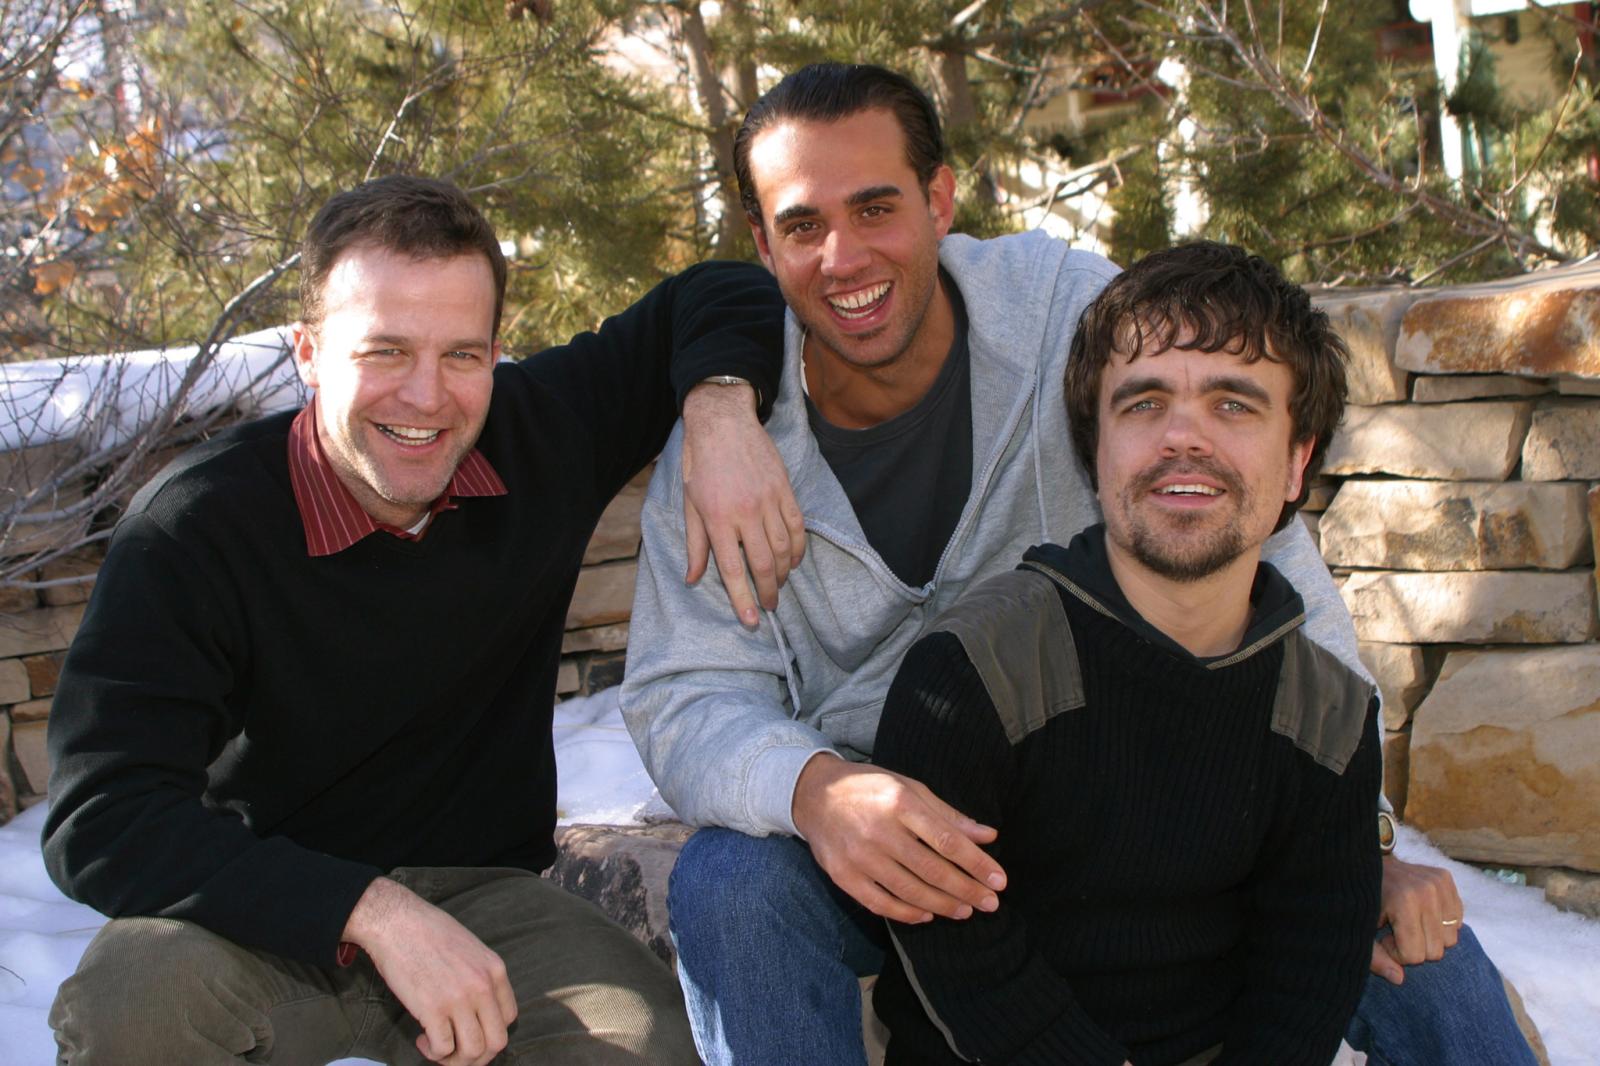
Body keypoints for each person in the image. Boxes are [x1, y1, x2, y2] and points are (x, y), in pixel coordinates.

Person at [621, 62, 1538, 1066]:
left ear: (939, 201)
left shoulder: (1065, 314)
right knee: (733, 888)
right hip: (883, 837)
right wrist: (815, 789)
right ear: (762, 245)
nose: (844, 257)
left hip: (1130, 791)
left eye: (876, 207)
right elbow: (683, 692)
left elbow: (1254, 537)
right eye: (803, 225)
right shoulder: (721, 455)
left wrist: (1359, 839)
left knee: (1417, 945)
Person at [42, 174, 799, 1066]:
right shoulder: (197, 525)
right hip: (257, 915)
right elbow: (101, 814)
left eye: (462, 355)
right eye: (385, 352)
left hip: (487, 905)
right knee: (133, 1004)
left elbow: (721, 288)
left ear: (495, 353)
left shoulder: (539, 432)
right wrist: (369, 911)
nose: (427, 397)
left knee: (639, 1043)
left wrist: (720, 411)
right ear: (309, 353)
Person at [871, 241, 1383, 1065]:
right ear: (1094, 451)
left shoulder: (1329, 719)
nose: (1183, 437)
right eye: (1144, 403)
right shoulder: (976, 671)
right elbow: (967, 962)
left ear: (1298, 462)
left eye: (1234, 404)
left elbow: (1307, 973)